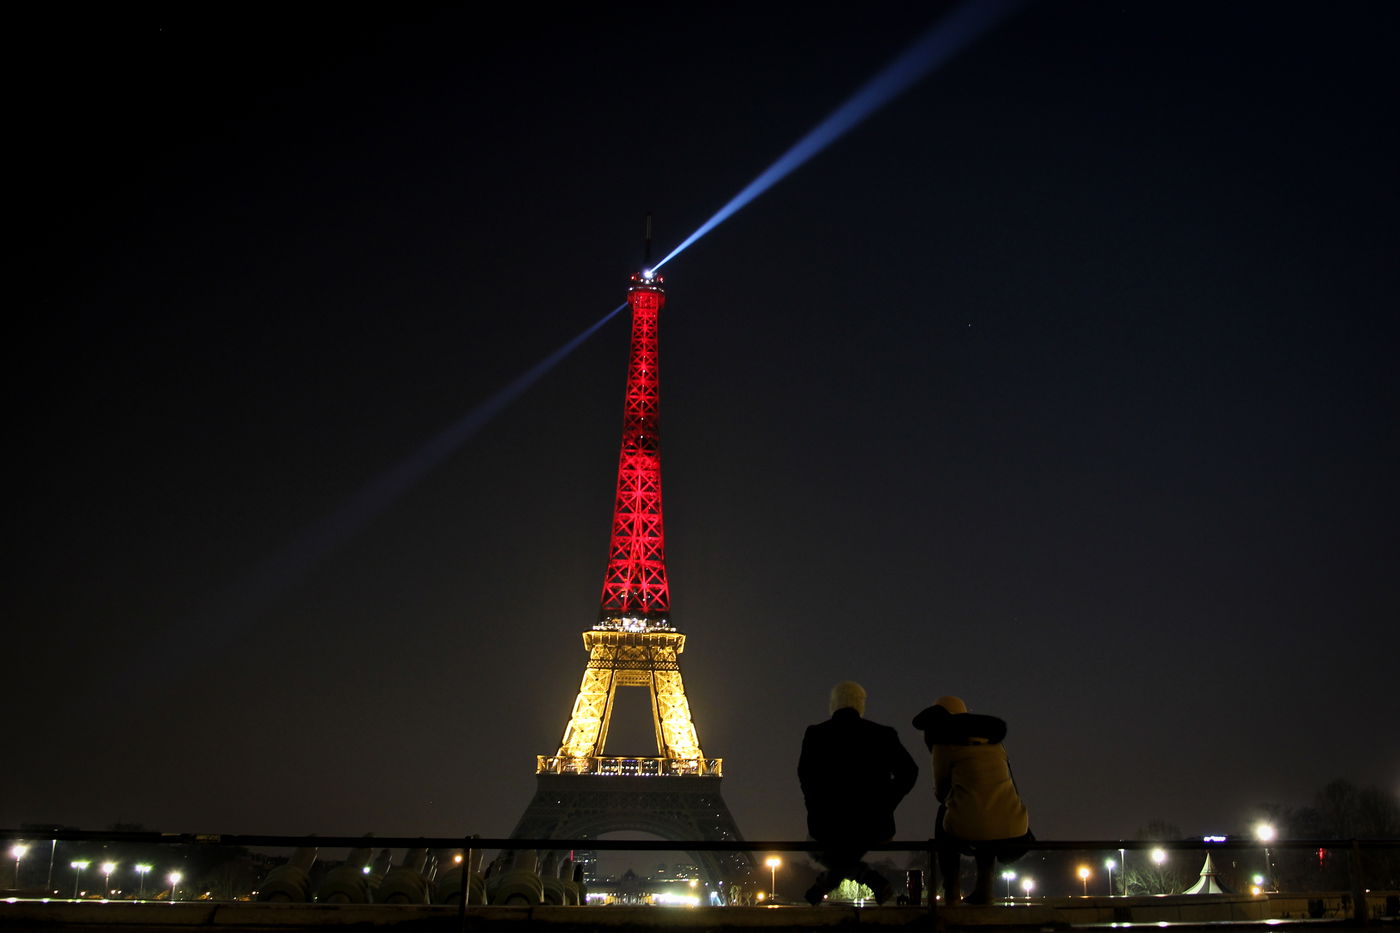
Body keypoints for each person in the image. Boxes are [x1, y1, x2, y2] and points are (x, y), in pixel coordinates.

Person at [798, 681, 918, 905]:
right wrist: (885, 803)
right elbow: (909, 772)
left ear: (833, 704)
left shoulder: (815, 734)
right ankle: (852, 878)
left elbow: (805, 778)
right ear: (861, 704)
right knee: (857, 836)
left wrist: (818, 808)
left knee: (816, 845)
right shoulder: (884, 735)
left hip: (827, 824)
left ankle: (855, 877)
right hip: (874, 824)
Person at [912, 695, 1032, 906]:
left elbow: (941, 792)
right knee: (984, 808)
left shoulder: (943, 745)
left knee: (950, 814)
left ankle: (952, 890)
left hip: (973, 825)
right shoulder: (996, 744)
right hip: (1015, 825)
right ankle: (985, 889)